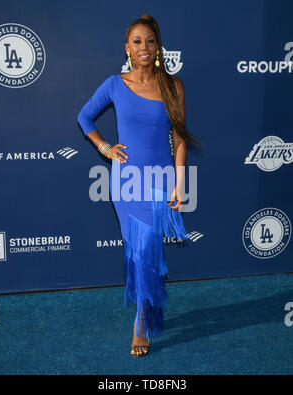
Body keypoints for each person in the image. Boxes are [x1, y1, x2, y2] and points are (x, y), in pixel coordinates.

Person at [77, 14, 200, 357]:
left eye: (149, 41)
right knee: (138, 251)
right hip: (126, 182)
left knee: (147, 252)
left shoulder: (173, 86)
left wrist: (180, 183)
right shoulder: (115, 84)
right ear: (126, 48)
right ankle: (146, 315)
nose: (143, 48)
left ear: (158, 46)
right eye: (137, 42)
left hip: (160, 181)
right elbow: (84, 117)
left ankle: (144, 319)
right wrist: (105, 148)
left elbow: (178, 138)